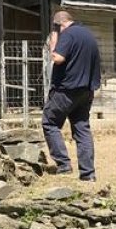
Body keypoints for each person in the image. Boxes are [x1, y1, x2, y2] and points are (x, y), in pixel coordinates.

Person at [43, 10, 101, 181]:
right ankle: (88, 173)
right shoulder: (88, 34)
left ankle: (63, 164)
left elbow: (58, 58)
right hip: (86, 90)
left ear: (59, 24)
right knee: (82, 128)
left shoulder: (67, 34)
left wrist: (54, 39)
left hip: (66, 90)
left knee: (49, 122)